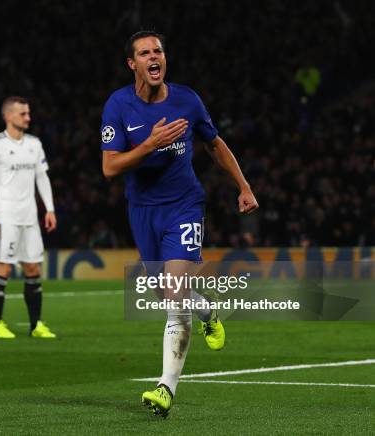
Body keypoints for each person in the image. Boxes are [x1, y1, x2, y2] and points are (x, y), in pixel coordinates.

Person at [100, 31, 258, 417]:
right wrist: (148, 145)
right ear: (132, 64)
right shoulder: (118, 106)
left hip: (184, 206)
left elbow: (215, 144)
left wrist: (243, 185)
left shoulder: (187, 99)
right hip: (142, 211)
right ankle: (207, 312)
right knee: (166, 294)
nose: (154, 57)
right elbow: (109, 167)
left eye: (158, 51)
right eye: (144, 53)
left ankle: (165, 387)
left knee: (173, 293)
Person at [0, 96, 57, 339]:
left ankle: (36, 326)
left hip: (30, 217)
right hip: (5, 217)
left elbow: (42, 177)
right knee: (4, 267)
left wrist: (50, 209)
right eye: (23, 114)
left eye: (28, 113)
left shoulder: (34, 144)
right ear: (9, 116)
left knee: (33, 268)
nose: (28, 118)